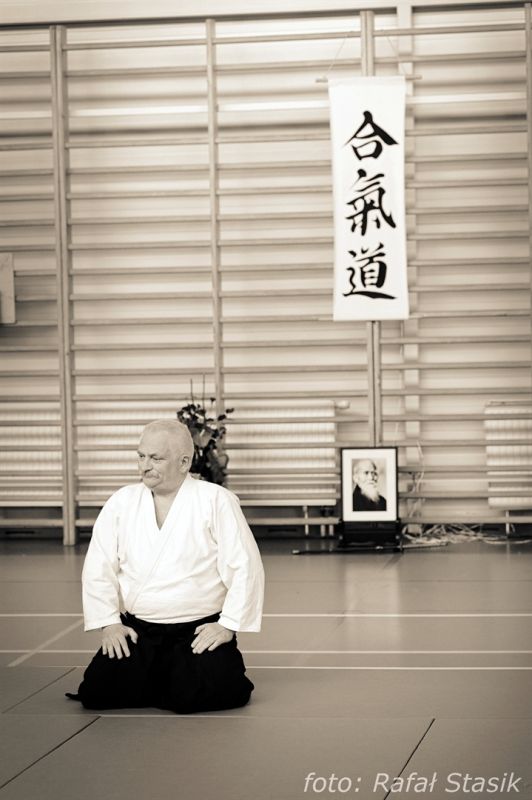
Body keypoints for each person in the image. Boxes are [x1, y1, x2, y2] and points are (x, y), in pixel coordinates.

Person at [67, 419, 264, 714]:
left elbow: (245, 567)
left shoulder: (216, 501)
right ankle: (161, 678)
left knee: (202, 696)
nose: (145, 466)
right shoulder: (121, 502)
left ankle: (166, 679)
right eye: (141, 456)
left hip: (197, 632)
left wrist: (227, 626)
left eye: (156, 458)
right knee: (96, 692)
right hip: (139, 631)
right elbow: (98, 567)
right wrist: (110, 623)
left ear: (184, 462)